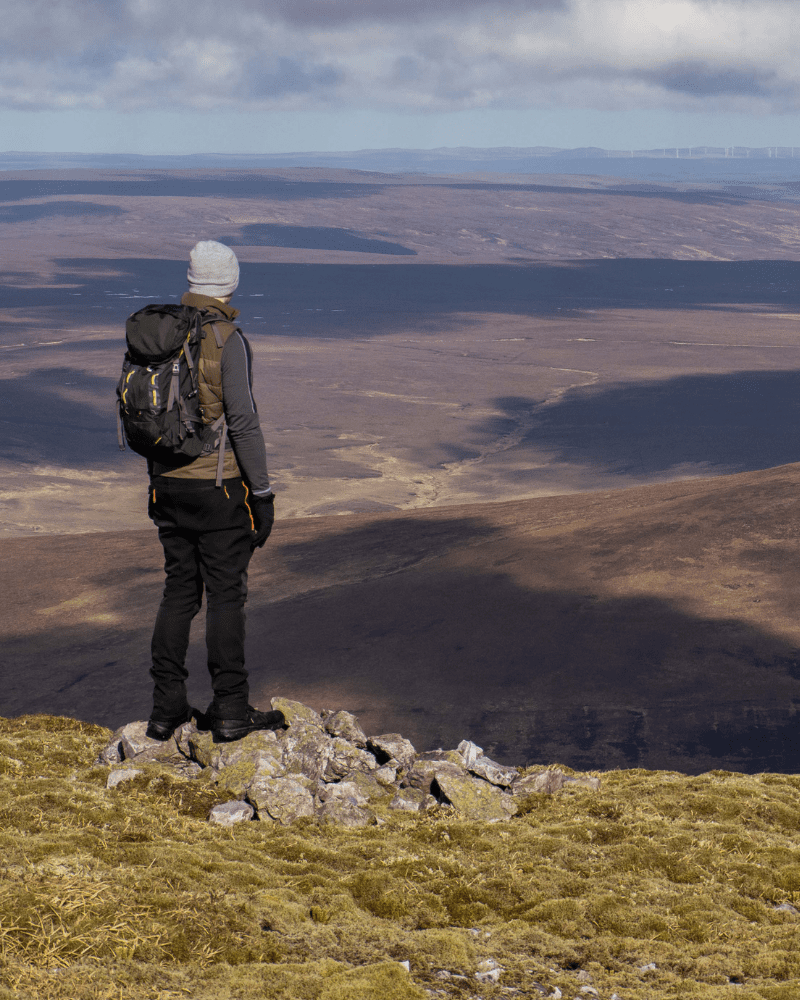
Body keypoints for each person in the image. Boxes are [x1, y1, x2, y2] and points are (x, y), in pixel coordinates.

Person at [144, 240, 284, 743]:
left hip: (166, 486)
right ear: (229, 281)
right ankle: (229, 709)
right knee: (226, 594)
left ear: (190, 278)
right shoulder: (227, 339)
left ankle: (166, 709)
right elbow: (243, 424)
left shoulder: (157, 332)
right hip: (218, 489)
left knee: (179, 591)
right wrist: (262, 494)